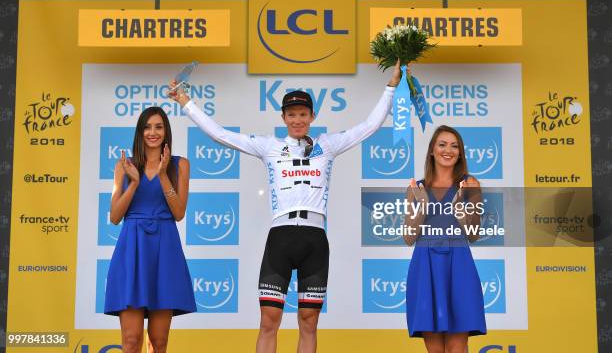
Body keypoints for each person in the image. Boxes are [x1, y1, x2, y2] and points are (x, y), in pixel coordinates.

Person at [168, 62, 401, 353]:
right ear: (284, 117)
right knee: (269, 320)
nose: (298, 120)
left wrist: (391, 87)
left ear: (312, 116)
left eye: (303, 114)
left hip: (315, 240)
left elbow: (369, 126)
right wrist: (185, 102)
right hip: (280, 237)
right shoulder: (269, 146)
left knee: (309, 321)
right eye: (292, 115)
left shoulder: (328, 145)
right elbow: (221, 135)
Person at [104, 106, 196, 353]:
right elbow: (114, 217)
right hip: (132, 249)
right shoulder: (124, 165)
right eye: (147, 126)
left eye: (158, 126)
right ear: (139, 131)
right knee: (132, 341)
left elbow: (178, 213)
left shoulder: (180, 165)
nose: (152, 132)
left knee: (159, 342)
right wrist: (134, 183)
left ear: (166, 131)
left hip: (165, 249)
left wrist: (164, 174)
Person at [403, 125, 486, 353]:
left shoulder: (470, 184)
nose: (448, 150)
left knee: (457, 347)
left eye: (454, 145)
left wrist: (461, 208)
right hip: (425, 266)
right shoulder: (417, 188)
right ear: (432, 150)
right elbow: (409, 238)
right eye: (442, 144)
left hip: (458, 265)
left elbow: (473, 234)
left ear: (460, 153)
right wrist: (420, 206)